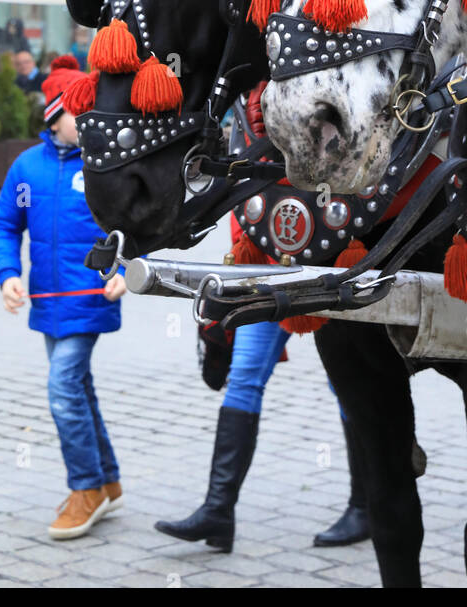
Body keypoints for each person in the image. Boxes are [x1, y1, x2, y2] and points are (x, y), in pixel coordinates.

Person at [155, 214, 369, 554]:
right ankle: (218, 512)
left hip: (326, 273)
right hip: (267, 274)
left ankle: (365, 506)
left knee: (344, 384)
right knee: (243, 380)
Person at [0, 55, 126, 540]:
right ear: (54, 116)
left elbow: (130, 227)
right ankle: (108, 481)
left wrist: (125, 270)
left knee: (63, 388)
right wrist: (6, 274)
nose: (89, 121)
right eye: (79, 113)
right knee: (79, 388)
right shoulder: (26, 167)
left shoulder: (104, 165)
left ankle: (85, 488)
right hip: (47, 303)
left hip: (89, 300)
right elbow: (6, 225)